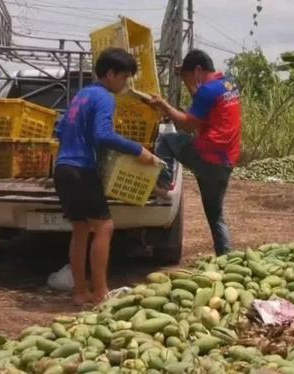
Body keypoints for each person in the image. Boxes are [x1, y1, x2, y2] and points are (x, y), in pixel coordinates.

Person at [54, 47, 161, 306]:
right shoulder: (104, 97)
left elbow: (59, 129)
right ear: (111, 74)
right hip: (81, 169)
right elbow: (103, 134)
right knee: (104, 227)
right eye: (124, 78)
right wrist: (139, 150)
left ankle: (80, 293)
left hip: (62, 168)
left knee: (80, 229)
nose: (125, 84)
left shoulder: (82, 95)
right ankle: (101, 293)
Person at [148, 49, 242, 256]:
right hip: (226, 161)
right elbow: (202, 104)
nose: (190, 81)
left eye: (189, 76)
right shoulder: (228, 83)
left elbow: (188, 126)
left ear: (198, 70)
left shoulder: (207, 91)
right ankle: (226, 259)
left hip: (207, 157)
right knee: (215, 215)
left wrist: (163, 105)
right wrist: (188, 80)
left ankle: (163, 183)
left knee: (166, 139)